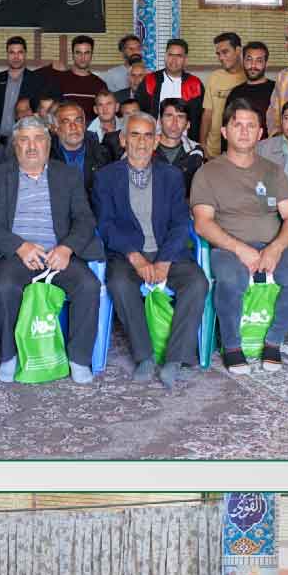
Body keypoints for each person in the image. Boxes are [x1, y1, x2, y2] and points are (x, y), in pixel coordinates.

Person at [0, 111, 101, 380]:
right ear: (15, 145)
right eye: (24, 140)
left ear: (48, 143)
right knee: (3, 287)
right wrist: (19, 247)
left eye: (38, 139)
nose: (32, 146)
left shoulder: (67, 175)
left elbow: (85, 218)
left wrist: (67, 248)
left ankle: (79, 358)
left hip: (59, 252)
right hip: (17, 255)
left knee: (89, 285)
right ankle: (9, 354)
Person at [189, 98, 288, 366]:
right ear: (224, 132)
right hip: (228, 249)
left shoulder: (273, 171)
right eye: (237, 125)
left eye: (250, 126)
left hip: (271, 247)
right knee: (232, 279)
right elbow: (203, 223)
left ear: (260, 133)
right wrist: (240, 249)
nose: (244, 131)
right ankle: (232, 345)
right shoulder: (208, 173)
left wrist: (276, 248)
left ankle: (273, 340)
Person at [90, 105, 207, 378]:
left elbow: (180, 223)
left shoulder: (171, 176)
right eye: (134, 135)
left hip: (168, 251)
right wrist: (136, 257)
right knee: (119, 283)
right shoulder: (106, 178)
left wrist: (164, 260)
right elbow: (105, 224)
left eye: (147, 136)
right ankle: (144, 356)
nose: (141, 142)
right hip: (128, 254)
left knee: (197, 282)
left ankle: (177, 358)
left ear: (156, 140)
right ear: (123, 139)